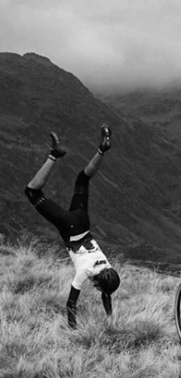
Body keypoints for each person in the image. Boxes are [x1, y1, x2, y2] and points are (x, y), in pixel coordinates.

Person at [25, 124, 120, 329]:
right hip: (69, 228)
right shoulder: (85, 271)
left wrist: (110, 317)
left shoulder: (106, 265)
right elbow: (71, 304)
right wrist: (73, 331)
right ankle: (54, 154)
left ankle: (101, 150)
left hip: (83, 221)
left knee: (83, 178)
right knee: (32, 192)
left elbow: (106, 290)